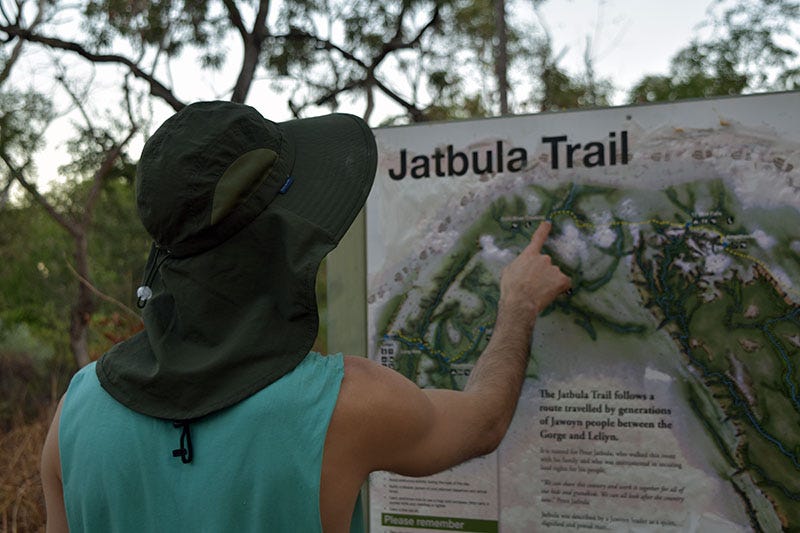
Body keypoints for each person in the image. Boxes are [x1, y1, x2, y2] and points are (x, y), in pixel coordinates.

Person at [40, 101, 571, 533]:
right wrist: (518, 305)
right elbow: (483, 420)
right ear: (281, 241)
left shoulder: (74, 413)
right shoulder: (344, 404)